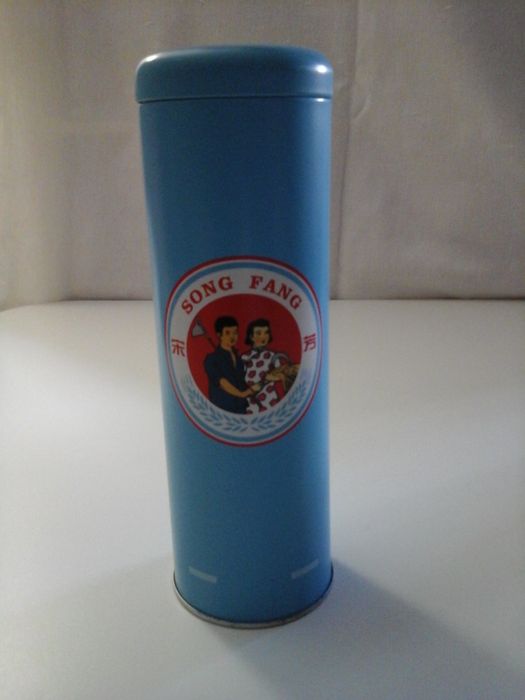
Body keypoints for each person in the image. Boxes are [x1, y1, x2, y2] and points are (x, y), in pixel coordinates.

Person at [204, 316, 260, 413]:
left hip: (241, 407)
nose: (232, 336)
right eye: (227, 333)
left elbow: (241, 380)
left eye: (235, 332)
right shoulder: (212, 359)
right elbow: (222, 382)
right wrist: (243, 394)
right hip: (222, 409)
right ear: (219, 335)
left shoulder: (239, 358)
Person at [242, 318, 284, 413]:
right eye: (259, 333)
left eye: (266, 333)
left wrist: (271, 378)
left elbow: (281, 375)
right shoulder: (244, 357)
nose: (263, 336)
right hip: (250, 401)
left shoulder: (273, 356)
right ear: (251, 337)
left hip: (270, 399)